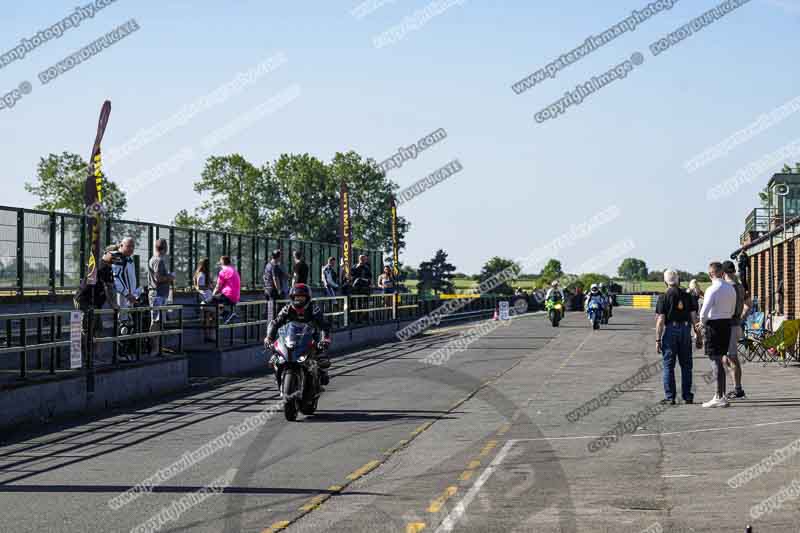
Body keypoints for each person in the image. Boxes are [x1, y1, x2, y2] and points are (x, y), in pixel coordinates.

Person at [265, 283, 332, 388]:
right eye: (296, 297)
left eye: (302, 297)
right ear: (292, 297)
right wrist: (269, 337)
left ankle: (322, 373)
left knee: (321, 357)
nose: (299, 300)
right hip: (291, 338)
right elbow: (275, 322)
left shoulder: (313, 309)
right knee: (275, 354)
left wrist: (325, 339)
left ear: (307, 298)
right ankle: (278, 374)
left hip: (310, 337)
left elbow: (324, 325)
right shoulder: (287, 308)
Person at [655, 269, 700, 405]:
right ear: (678, 280)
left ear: (665, 282)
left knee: (669, 366)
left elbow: (660, 320)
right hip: (686, 330)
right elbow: (694, 318)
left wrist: (657, 339)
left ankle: (670, 397)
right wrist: (698, 336)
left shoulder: (663, 297)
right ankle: (687, 396)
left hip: (670, 331)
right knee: (686, 365)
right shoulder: (688, 296)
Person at [699, 261, 737, 408]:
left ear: (710, 274)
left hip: (714, 326)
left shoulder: (712, 289)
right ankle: (721, 395)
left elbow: (703, 312)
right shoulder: (731, 288)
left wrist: (701, 324)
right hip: (726, 324)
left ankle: (719, 395)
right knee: (721, 359)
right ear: (722, 272)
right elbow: (733, 310)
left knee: (715, 361)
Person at [74, 246, 118, 359]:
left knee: (98, 329)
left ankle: (96, 355)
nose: (115, 257)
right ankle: (84, 356)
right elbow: (108, 289)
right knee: (87, 328)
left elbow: (109, 288)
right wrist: (113, 305)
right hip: (84, 300)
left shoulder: (108, 267)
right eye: (113, 255)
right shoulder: (101, 266)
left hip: (95, 302)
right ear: (106, 253)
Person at [722, 260, 747, 400]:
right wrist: (742, 318)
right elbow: (748, 304)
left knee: (732, 358)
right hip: (737, 324)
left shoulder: (727, 287)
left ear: (724, 273)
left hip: (729, 325)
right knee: (726, 358)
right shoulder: (740, 286)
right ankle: (735, 387)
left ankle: (738, 389)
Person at [148, 238, 176, 355]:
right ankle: (154, 349)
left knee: (159, 322)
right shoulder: (158, 260)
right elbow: (158, 278)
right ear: (166, 247)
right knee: (156, 321)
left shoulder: (155, 259)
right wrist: (170, 277)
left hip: (159, 294)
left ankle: (158, 348)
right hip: (157, 294)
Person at [263, 250, 287, 320]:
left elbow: (264, 277)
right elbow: (275, 278)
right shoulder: (275, 266)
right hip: (274, 291)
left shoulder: (268, 265)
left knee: (270, 309)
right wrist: (279, 290)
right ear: (279, 257)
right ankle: (276, 325)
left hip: (267, 289)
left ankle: (270, 324)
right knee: (278, 309)